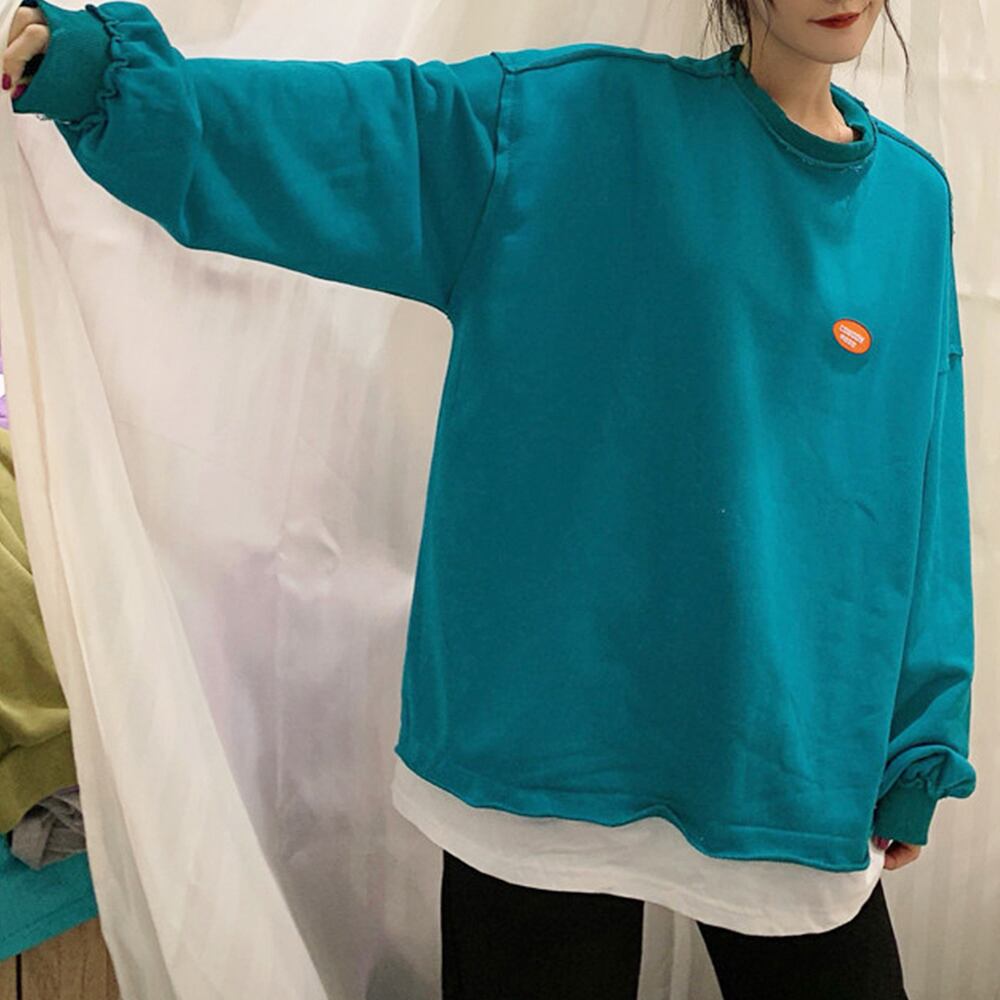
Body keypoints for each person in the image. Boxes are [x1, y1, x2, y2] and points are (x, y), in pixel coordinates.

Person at [2, 1, 974, 997]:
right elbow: (338, 132)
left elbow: (924, 488)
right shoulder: (567, 122)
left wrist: (922, 739)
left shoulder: (909, 200)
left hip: (786, 749)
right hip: (548, 743)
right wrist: (103, 76)